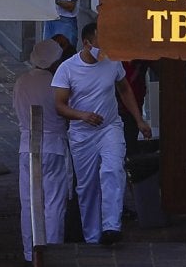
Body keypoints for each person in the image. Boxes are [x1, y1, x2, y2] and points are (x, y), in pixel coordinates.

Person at [51, 22, 151, 245]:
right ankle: (93, 236)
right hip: (81, 134)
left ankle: (111, 226)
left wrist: (139, 119)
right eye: (100, 43)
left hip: (110, 127)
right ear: (87, 43)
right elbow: (59, 105)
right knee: (87, 187)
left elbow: (124, 88)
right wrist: (82, 115)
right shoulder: (67, 69)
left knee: (112, 169)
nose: (105, 48)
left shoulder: (113, 62)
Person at [12, 39, 70, 263]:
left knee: (28, 202)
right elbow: (65, 111)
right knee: (53, 203)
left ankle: (30, 253)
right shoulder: (57, 83)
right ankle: (53, 252)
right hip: (53, 146)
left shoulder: (21, 82)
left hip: (26, 147)